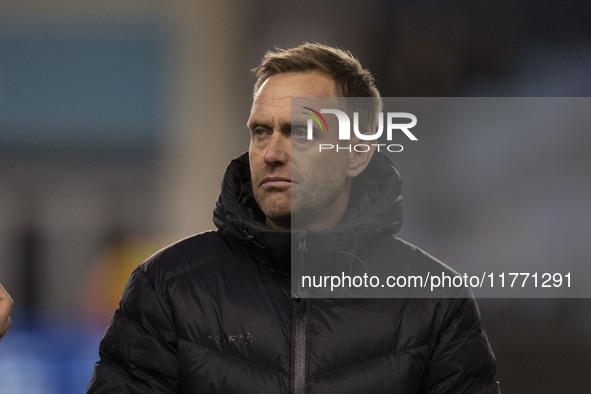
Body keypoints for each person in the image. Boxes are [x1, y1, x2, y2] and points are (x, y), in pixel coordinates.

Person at [88, 43, 499, 393]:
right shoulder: (167, 287)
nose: (272, 152)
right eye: (261, 131)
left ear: (357, 153)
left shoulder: (434, 301)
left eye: (300, 132)